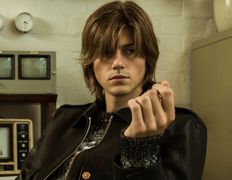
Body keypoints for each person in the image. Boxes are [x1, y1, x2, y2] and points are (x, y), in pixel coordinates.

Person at [16, 1, 207, 180]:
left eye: (130, 51)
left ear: (147, 59)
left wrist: (140, 149)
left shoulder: (181, 126)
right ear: (91, 63)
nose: (117, 63)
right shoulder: (63, 119)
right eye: (106, 52)